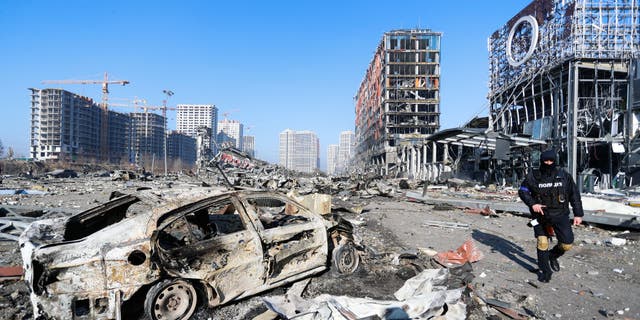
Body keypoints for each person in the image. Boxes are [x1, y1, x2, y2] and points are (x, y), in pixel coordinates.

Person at [518, 149, 584, 283]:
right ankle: (545, 270)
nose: (548, 163)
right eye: (545, 161)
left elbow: (574, 195)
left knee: (567, 244)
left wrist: (578, 214)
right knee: (542, 242)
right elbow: (523, 191)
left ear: (555, 161)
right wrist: (533, 204)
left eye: (551, 161)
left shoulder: (564, 176)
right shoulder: (534, 176)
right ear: (541, 161)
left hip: (560, 214)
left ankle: (552, 256)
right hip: (540, 216)